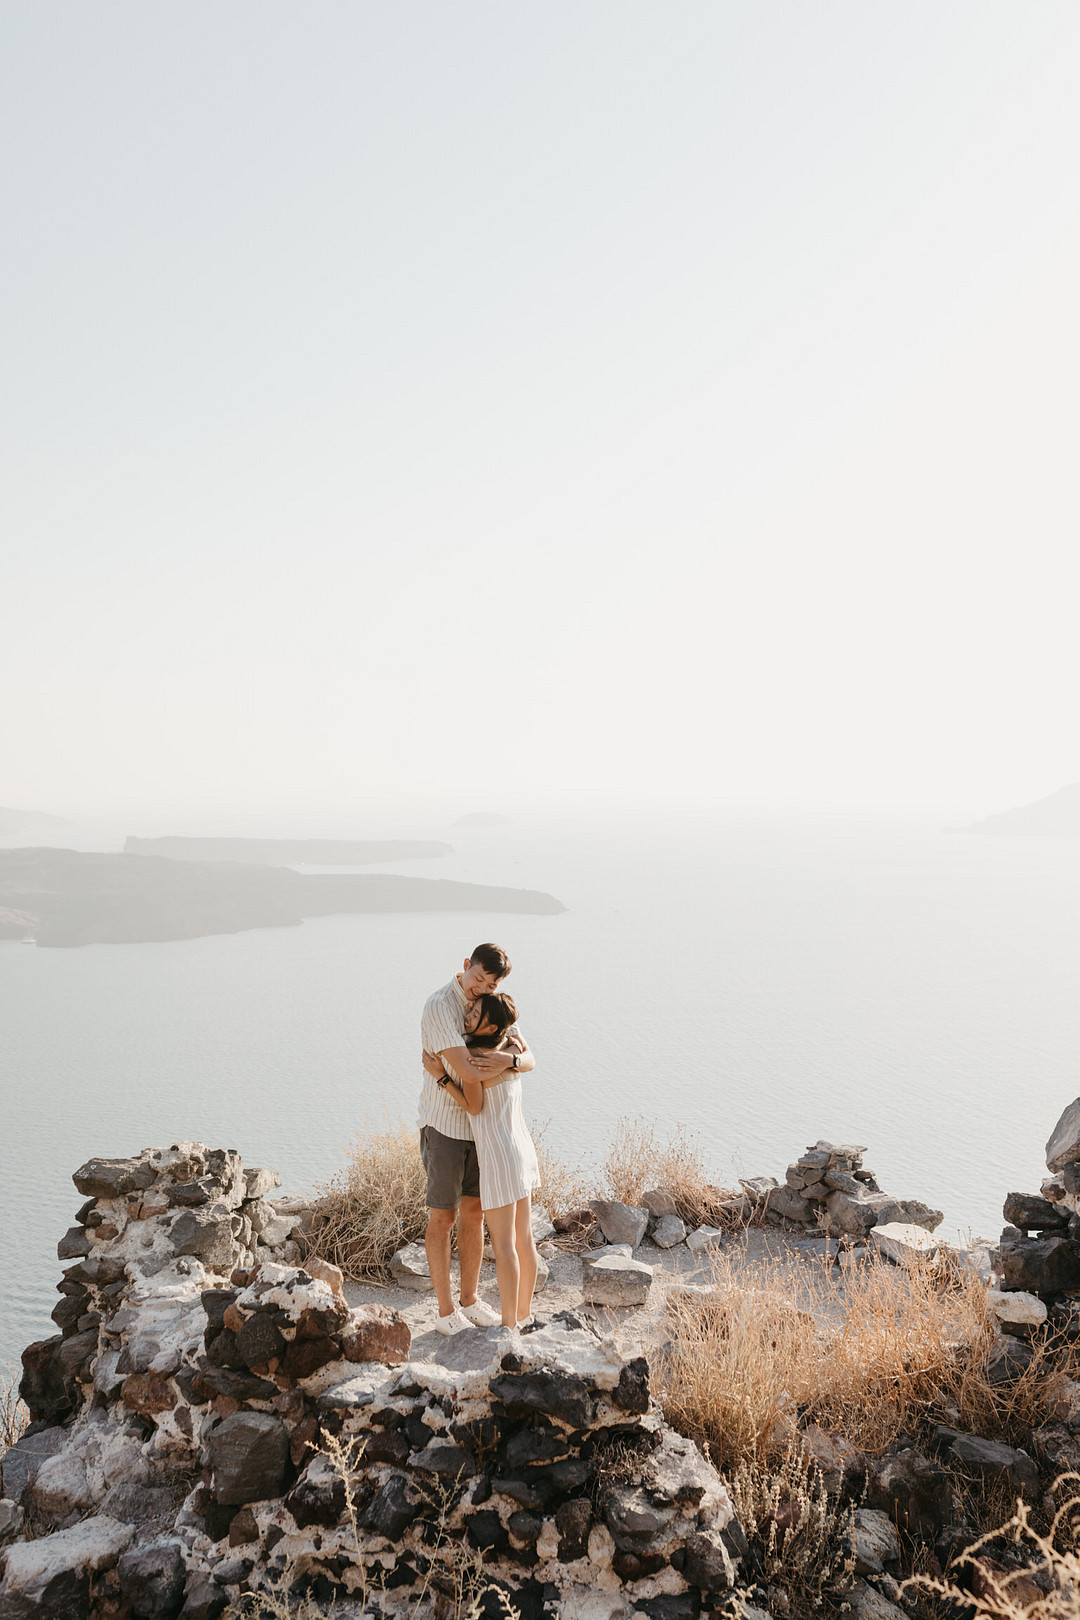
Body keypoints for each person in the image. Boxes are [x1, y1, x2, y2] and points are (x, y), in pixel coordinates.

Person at [417, 944, 535, 1335]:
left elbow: (527, 1052)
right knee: (443, 1216)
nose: (479, 990)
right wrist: (506, 1063)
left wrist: (512, 1061)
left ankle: (470, 1299)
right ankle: (446, 1311)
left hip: (483, 1133)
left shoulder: (490, 1005)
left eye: (489, 984)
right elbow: (468, 1069)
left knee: (474, 1214)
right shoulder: (440, 1006)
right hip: (446, 1126)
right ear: (465, 966)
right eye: (477, 979)